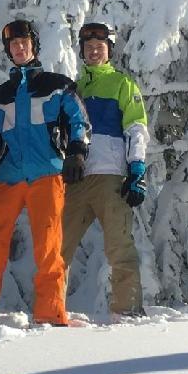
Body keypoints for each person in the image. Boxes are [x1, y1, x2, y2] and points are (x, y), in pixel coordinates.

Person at [0, 19, 90, 328]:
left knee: (48, 246)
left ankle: (49, 314)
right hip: (8, 177)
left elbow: (79, 122)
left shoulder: (57, 85)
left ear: (34, 45)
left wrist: (76, 152)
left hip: (47, 171)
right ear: (8, 51)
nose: (19, 48)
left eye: (24, 42)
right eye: (13, 44)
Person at [62, 22, 149, 320]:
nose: (94, 51)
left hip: (111, 177)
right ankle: (50, 310)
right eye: (88, 47)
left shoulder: (122, 84)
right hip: (76, 179)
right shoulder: (74, 88)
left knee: (120, 247)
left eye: (100, 46)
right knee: (57, 247)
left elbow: (136, 128)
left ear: (109, 50)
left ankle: (128, 311)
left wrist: (137, 168)